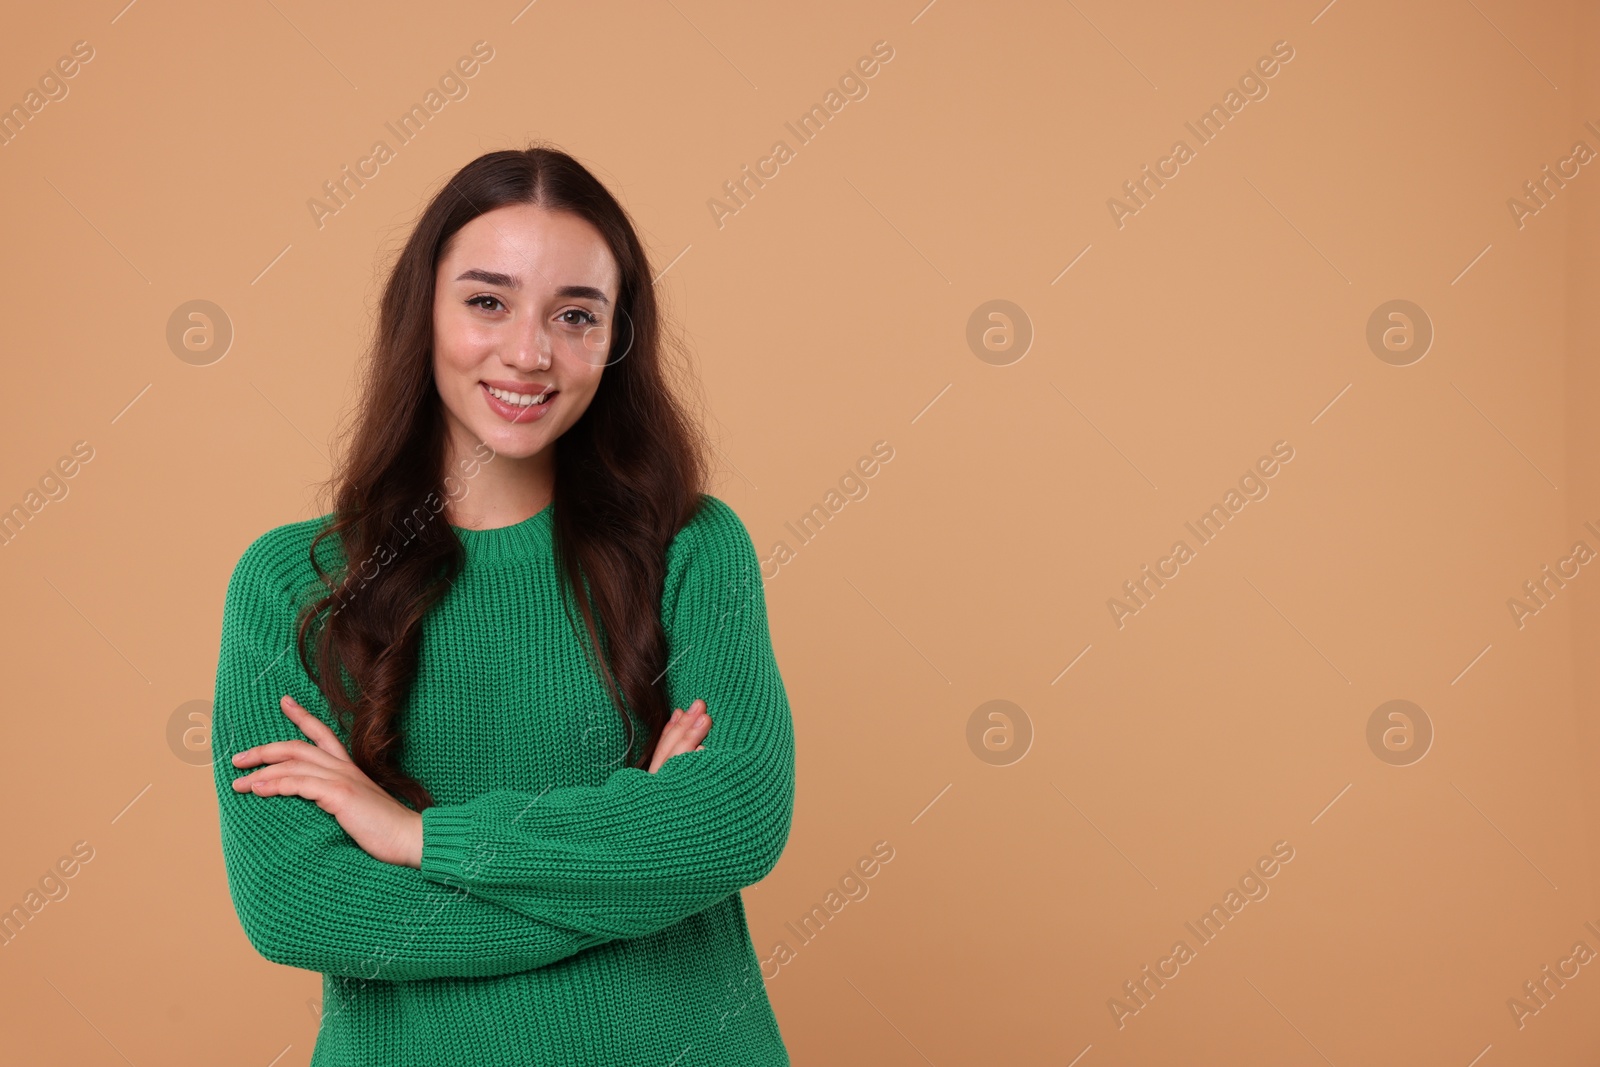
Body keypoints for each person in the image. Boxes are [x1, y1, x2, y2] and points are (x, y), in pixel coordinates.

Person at [210, 144, 796, 1066]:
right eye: (488, 300)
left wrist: (416, 836)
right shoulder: (296, 585)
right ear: (424, 312)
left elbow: (733, 821)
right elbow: (298, 906)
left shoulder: (692, 547)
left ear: (616, 338)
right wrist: (632, 856)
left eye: (576, 314)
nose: (529, 352)